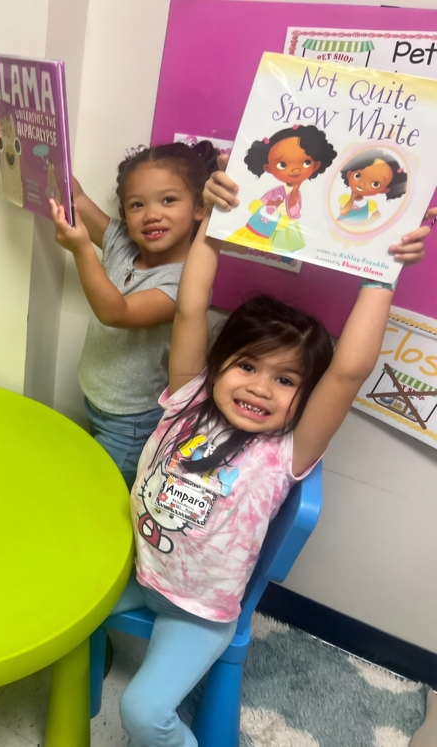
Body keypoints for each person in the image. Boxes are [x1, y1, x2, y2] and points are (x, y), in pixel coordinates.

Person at [107, 160, 434, 747]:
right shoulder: (189, 397)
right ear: (218, 365)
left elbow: (349, 371)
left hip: (198, 613)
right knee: (55, 609)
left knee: (140, 713)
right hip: (137, 566)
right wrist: (214, 222)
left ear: (303, 398)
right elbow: (189, 306)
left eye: (286, 381)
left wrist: (383, 270)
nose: (261, 386)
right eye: (249, 366)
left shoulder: (286, 451)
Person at [0, 114, 219, 487]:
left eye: (169, 200)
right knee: (86, 480)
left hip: (131, 422)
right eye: (137, 205)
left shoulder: (184, 283)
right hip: (96, 401)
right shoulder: (122, 244)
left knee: (102, 493)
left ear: (198, 208)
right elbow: (71, 194)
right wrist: (14, 140)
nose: (152, 214)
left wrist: (81, 250)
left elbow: (116, 312)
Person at [224, 125, 337, 252]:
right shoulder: (277, 190)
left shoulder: (299, 194)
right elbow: (263, 202)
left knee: (279, 250)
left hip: (283, 227)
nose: (295, 169)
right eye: (282, 164)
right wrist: (272, 204)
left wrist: (295, 189)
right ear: (268, 168)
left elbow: (293, 212)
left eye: (306, 162)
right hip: (264, 221)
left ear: (315, 166)